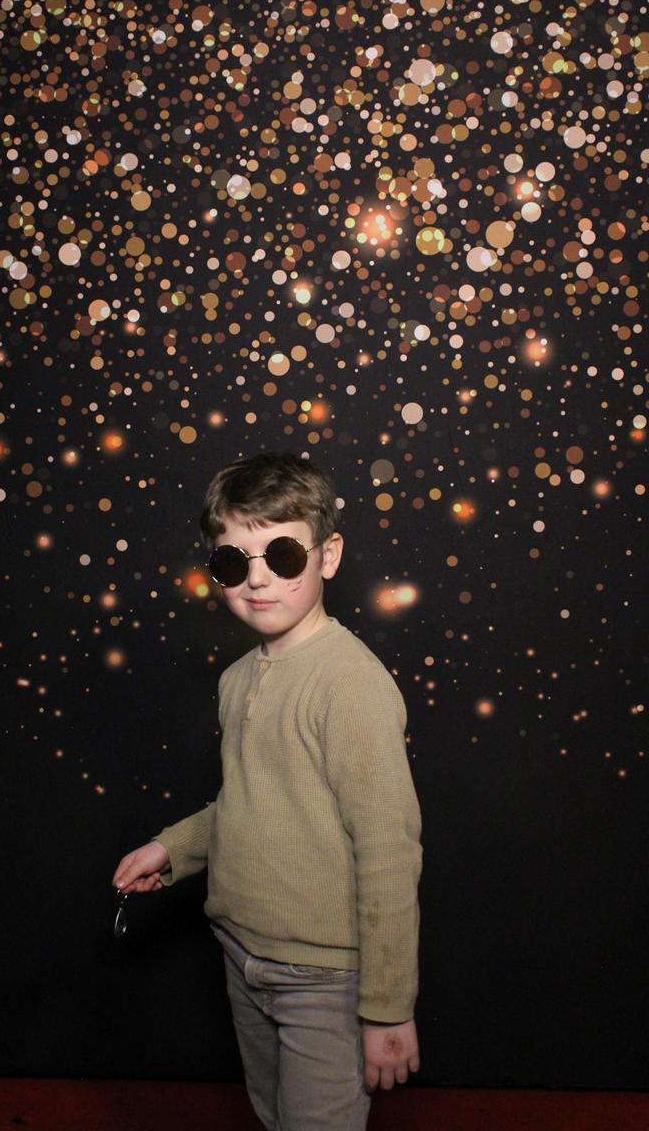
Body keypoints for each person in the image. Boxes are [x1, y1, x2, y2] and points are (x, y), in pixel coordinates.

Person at [113, 451, 422, 1131]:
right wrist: (174, 850)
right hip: (242, 952)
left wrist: (388, 1007)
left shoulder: (351, 685)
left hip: (324, 977)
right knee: (273, 1114)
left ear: (327, 556)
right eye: (234, 561)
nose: (257, 579)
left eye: (282, 556)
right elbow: (256, 801)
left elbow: (388, 850)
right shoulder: (236, 679)